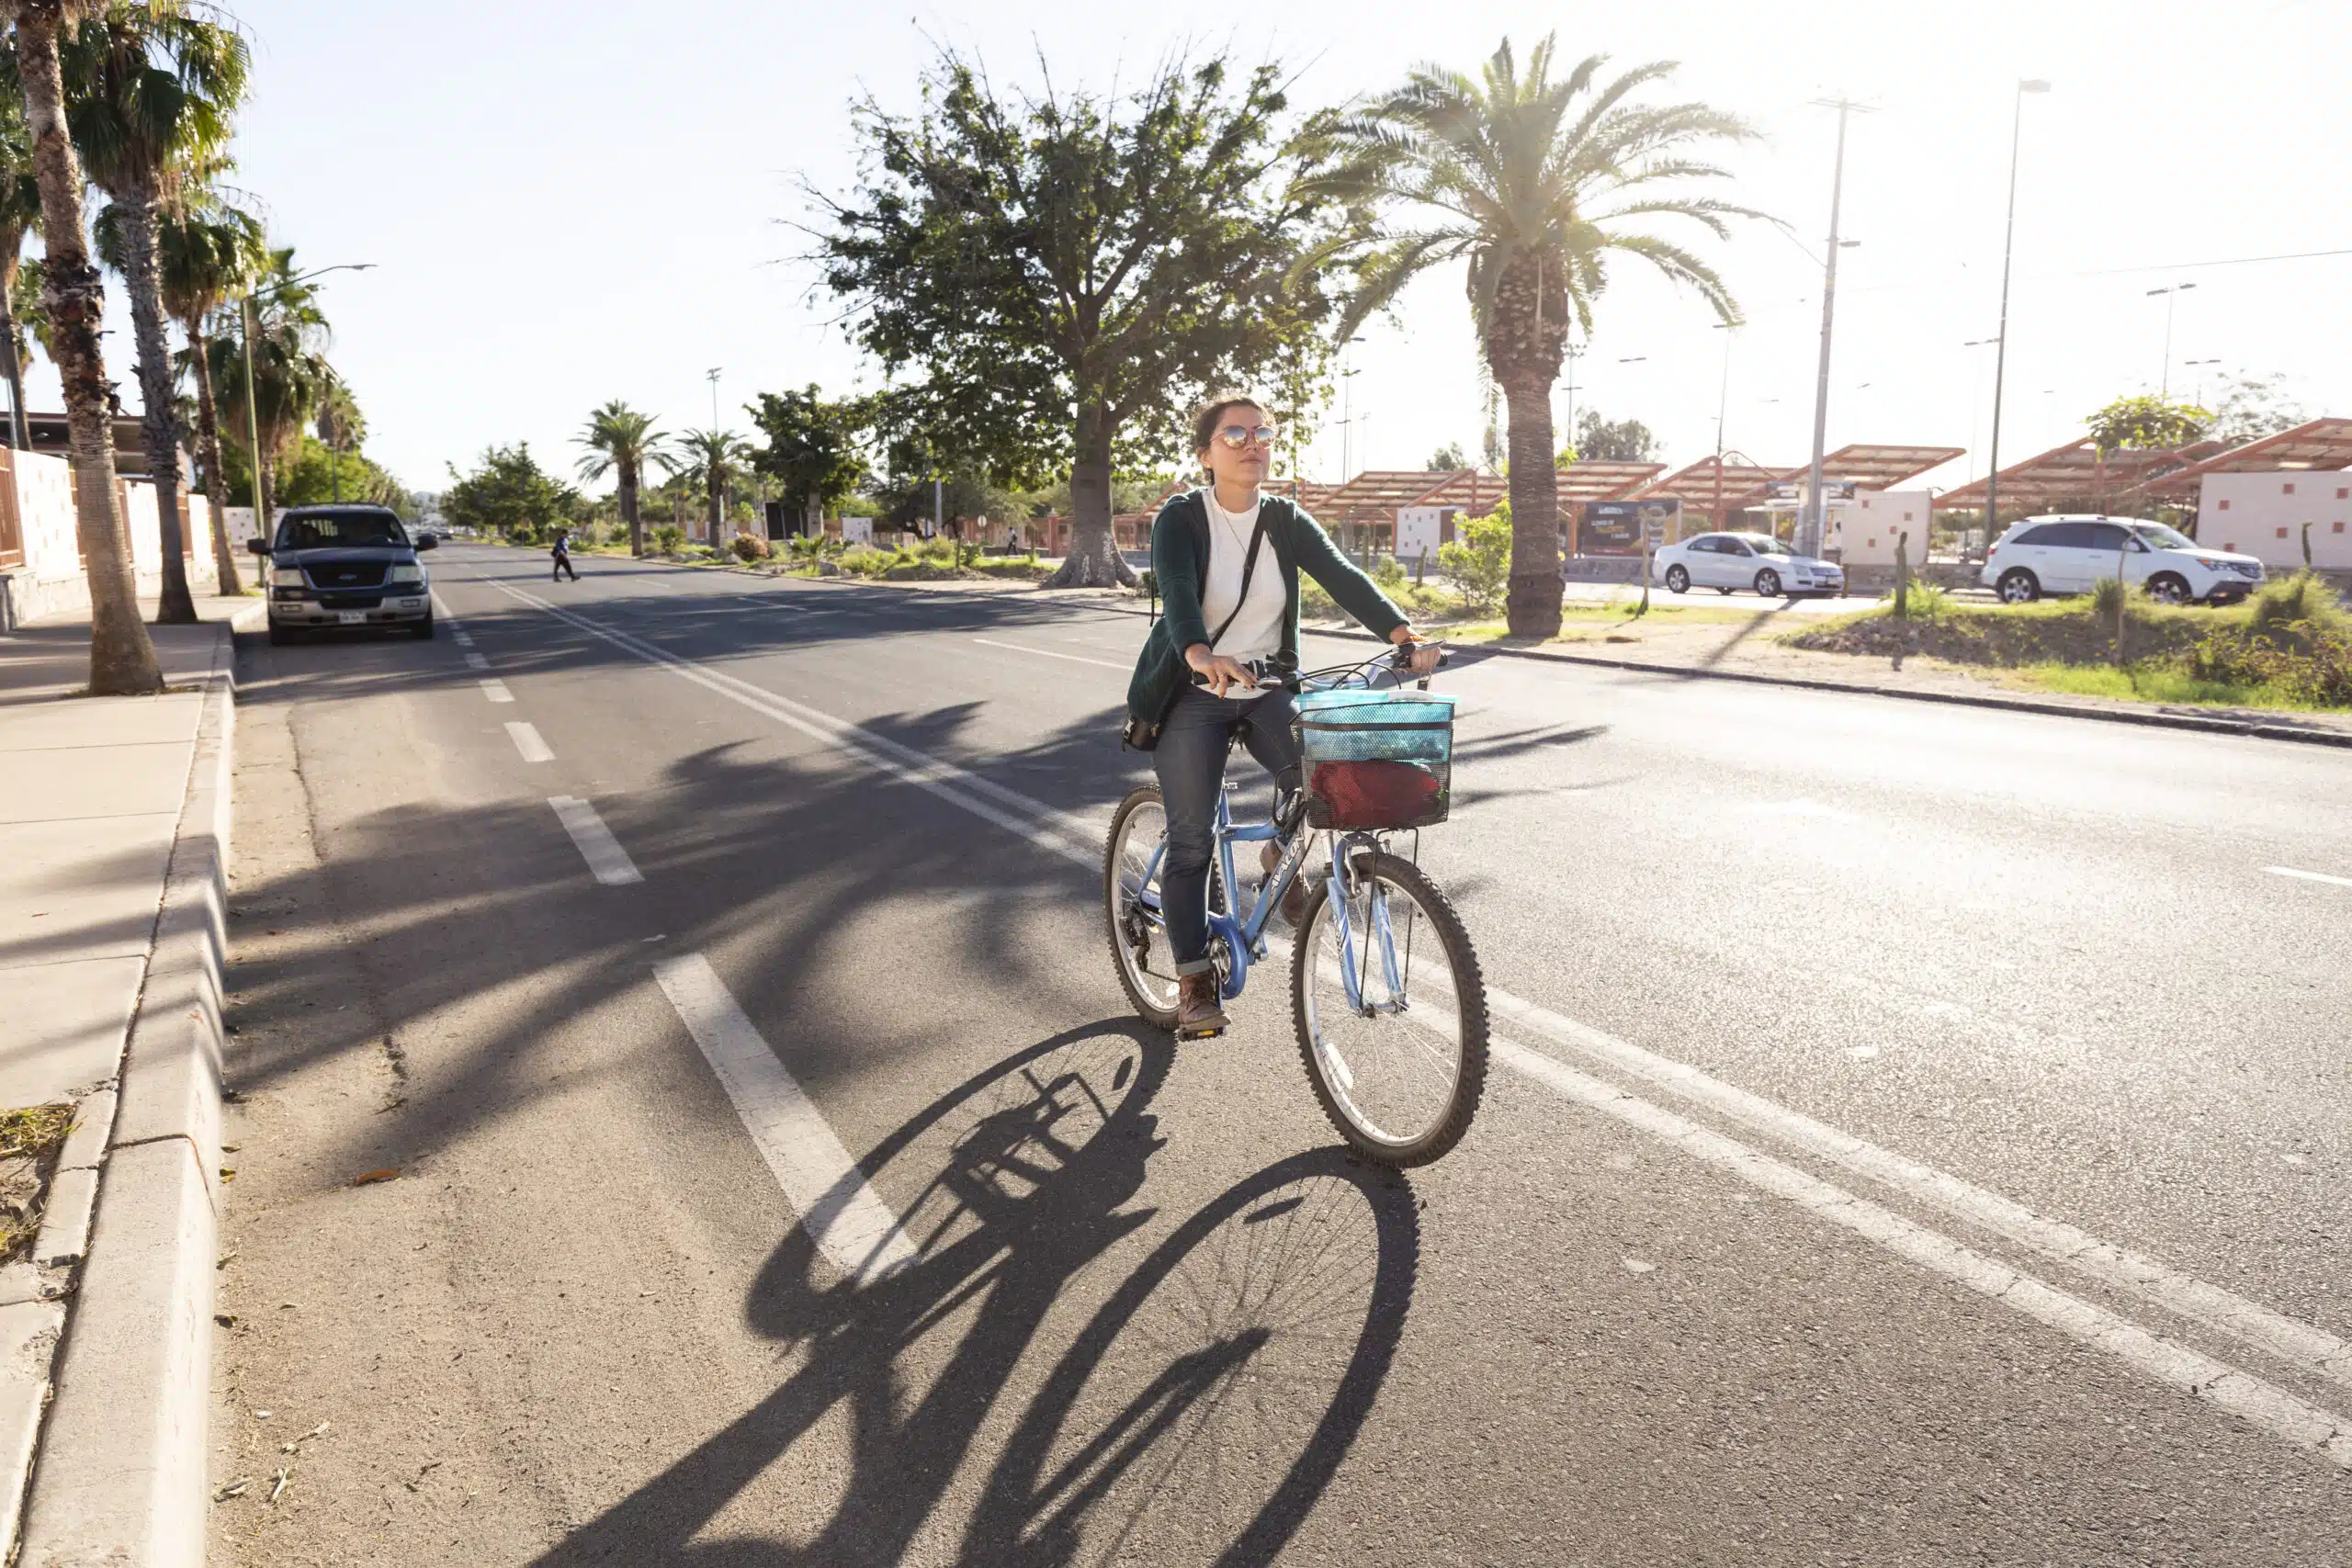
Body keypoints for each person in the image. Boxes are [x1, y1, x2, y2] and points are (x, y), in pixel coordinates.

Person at [1124, 392, 1441, 1036]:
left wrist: (1403, 634)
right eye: (1235, 433)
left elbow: (1342, 574)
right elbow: (1180, 594)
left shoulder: (1285, 519)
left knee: (1322, 775)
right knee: (1189, 844)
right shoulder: (1182, 518)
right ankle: (1192, 978)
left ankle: (1275, 855)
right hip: (1193, 688)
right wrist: (1200, 654)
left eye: (1262, 432)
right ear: (1205, 452)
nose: (1252, 443)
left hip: (1266, 682)